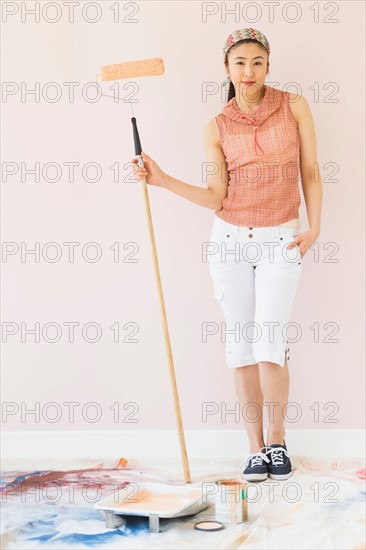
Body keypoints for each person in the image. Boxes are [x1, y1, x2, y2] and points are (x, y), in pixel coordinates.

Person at [131, 28, 322, 482]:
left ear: (268, 65)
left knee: (270, 342)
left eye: (257, 61)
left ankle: (277, 442)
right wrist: (162, 180)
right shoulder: (216, 126)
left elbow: (310, 171)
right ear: (227, 69)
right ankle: (254, 448)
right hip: (230, 241)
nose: (249, 71)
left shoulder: (294, 106)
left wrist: (316, 227)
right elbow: (218, 196)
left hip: (282, 238)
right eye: (240, 62)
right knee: (241, 345)